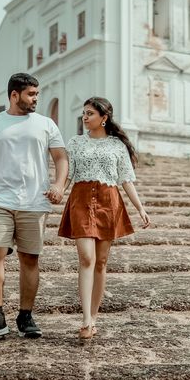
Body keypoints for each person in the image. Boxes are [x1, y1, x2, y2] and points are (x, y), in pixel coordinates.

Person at [0, 73, 68, 341]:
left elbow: (61, 158)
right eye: (31, 94)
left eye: (37, 94)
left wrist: (59, 185)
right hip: (1, 200)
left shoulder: (46, 124)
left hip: (35, 202)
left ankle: (26, 315)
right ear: (15, 95)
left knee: (29, 258)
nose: (36, 99)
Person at [58, 97, 150, 339]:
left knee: (100, 262)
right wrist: (57, 191)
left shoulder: (117, 146)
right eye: (84, 113)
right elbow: (68, 175)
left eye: (89, 113)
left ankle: (94, 317)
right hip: (81, 200)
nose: (84, 117)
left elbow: (125, 179)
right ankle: (86, 319)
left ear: (104, 118)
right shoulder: (75, 143)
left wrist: (140, 208)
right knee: (86, 258)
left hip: (108, 202)